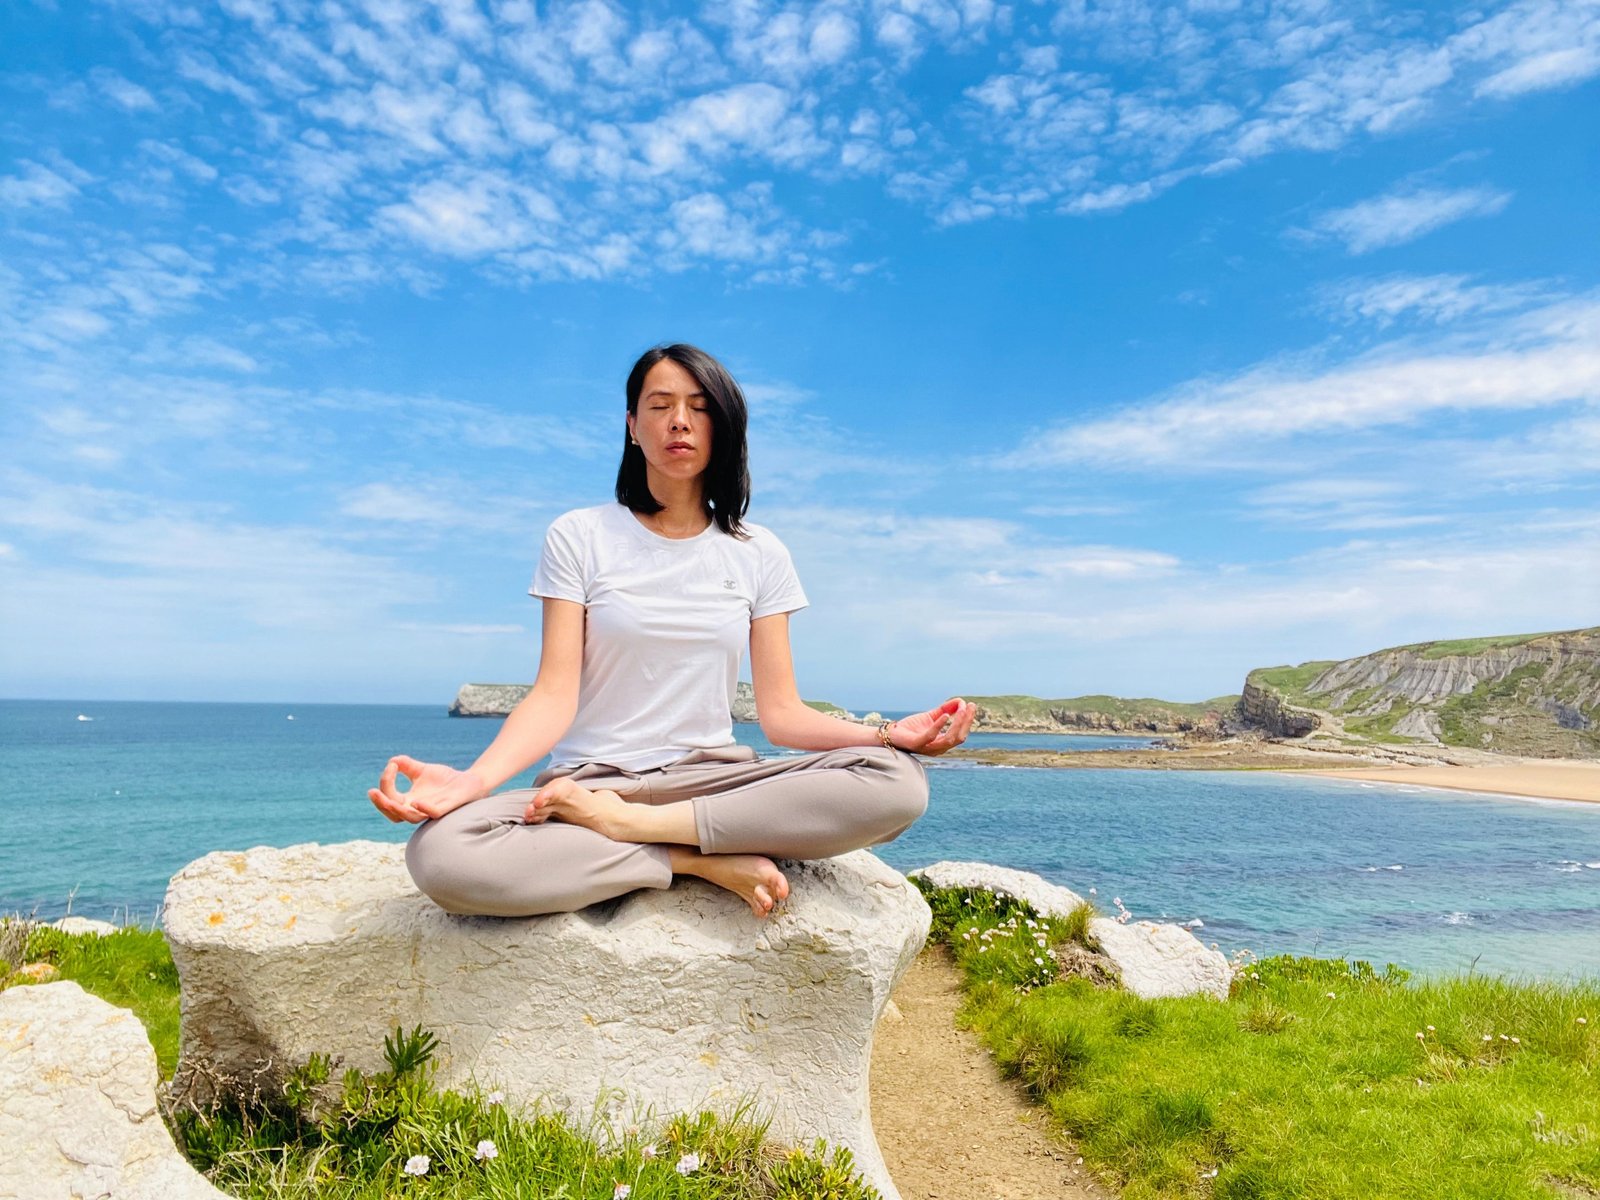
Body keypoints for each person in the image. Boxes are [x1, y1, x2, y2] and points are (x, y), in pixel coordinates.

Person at [369, 343, 976, 919]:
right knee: (441, 854)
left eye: (699, 408)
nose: (679, 422)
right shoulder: (579, 535)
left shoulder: (759, 552)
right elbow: (554, 693)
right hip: (590, 787)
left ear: (724, 427)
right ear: (633, 425)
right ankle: (688, 860)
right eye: (660, 406)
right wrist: (473, 780)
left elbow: (783, 714)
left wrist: (892, 736)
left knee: (898, 783)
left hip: (710, 778)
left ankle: (642, 835)